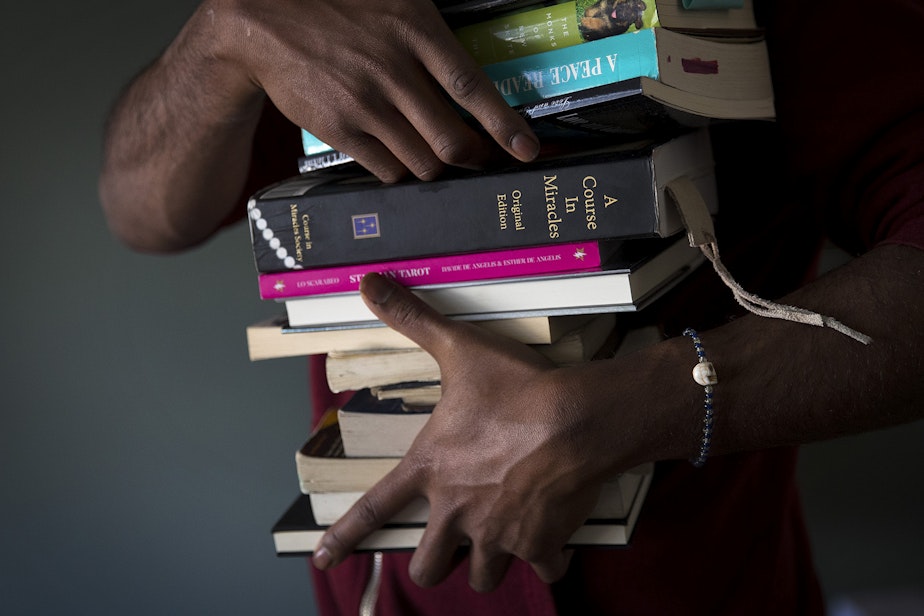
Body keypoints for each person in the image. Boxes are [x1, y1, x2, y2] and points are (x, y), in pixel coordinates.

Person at [99, 0, 924, 613]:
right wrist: (219, 39)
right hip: (395, 584)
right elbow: (140, 213)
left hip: (695, 583)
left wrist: (649, 404)